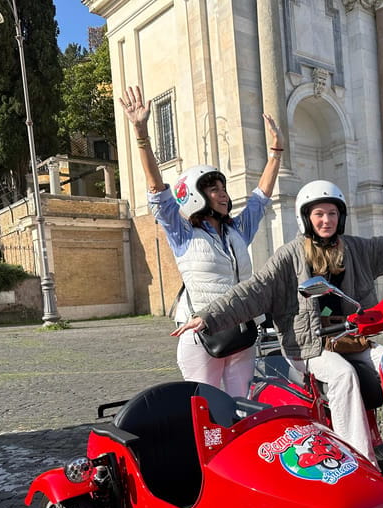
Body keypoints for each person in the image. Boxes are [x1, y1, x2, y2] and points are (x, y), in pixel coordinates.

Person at [172, 179, 383, 465]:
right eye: (319, 214)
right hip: (309, 347)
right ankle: (358, 458)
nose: (326, 220)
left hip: (350, 339)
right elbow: (254, 290)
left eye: (332, 213)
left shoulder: (355, 249)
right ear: (306, 217)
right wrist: (208, 316)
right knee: (343, 375)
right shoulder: (289, 256)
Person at [119, 85, 283, 397]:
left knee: (240, 408)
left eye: (223, 187)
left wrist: (276, 153)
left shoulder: (237, 230)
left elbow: (261, 198)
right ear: (196, 195)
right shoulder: (182, 233)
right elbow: (158, 193)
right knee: (206, 412)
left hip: (241, 330)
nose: (223, 193)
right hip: (202, 336)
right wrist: (141, 134)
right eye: (214, 189)